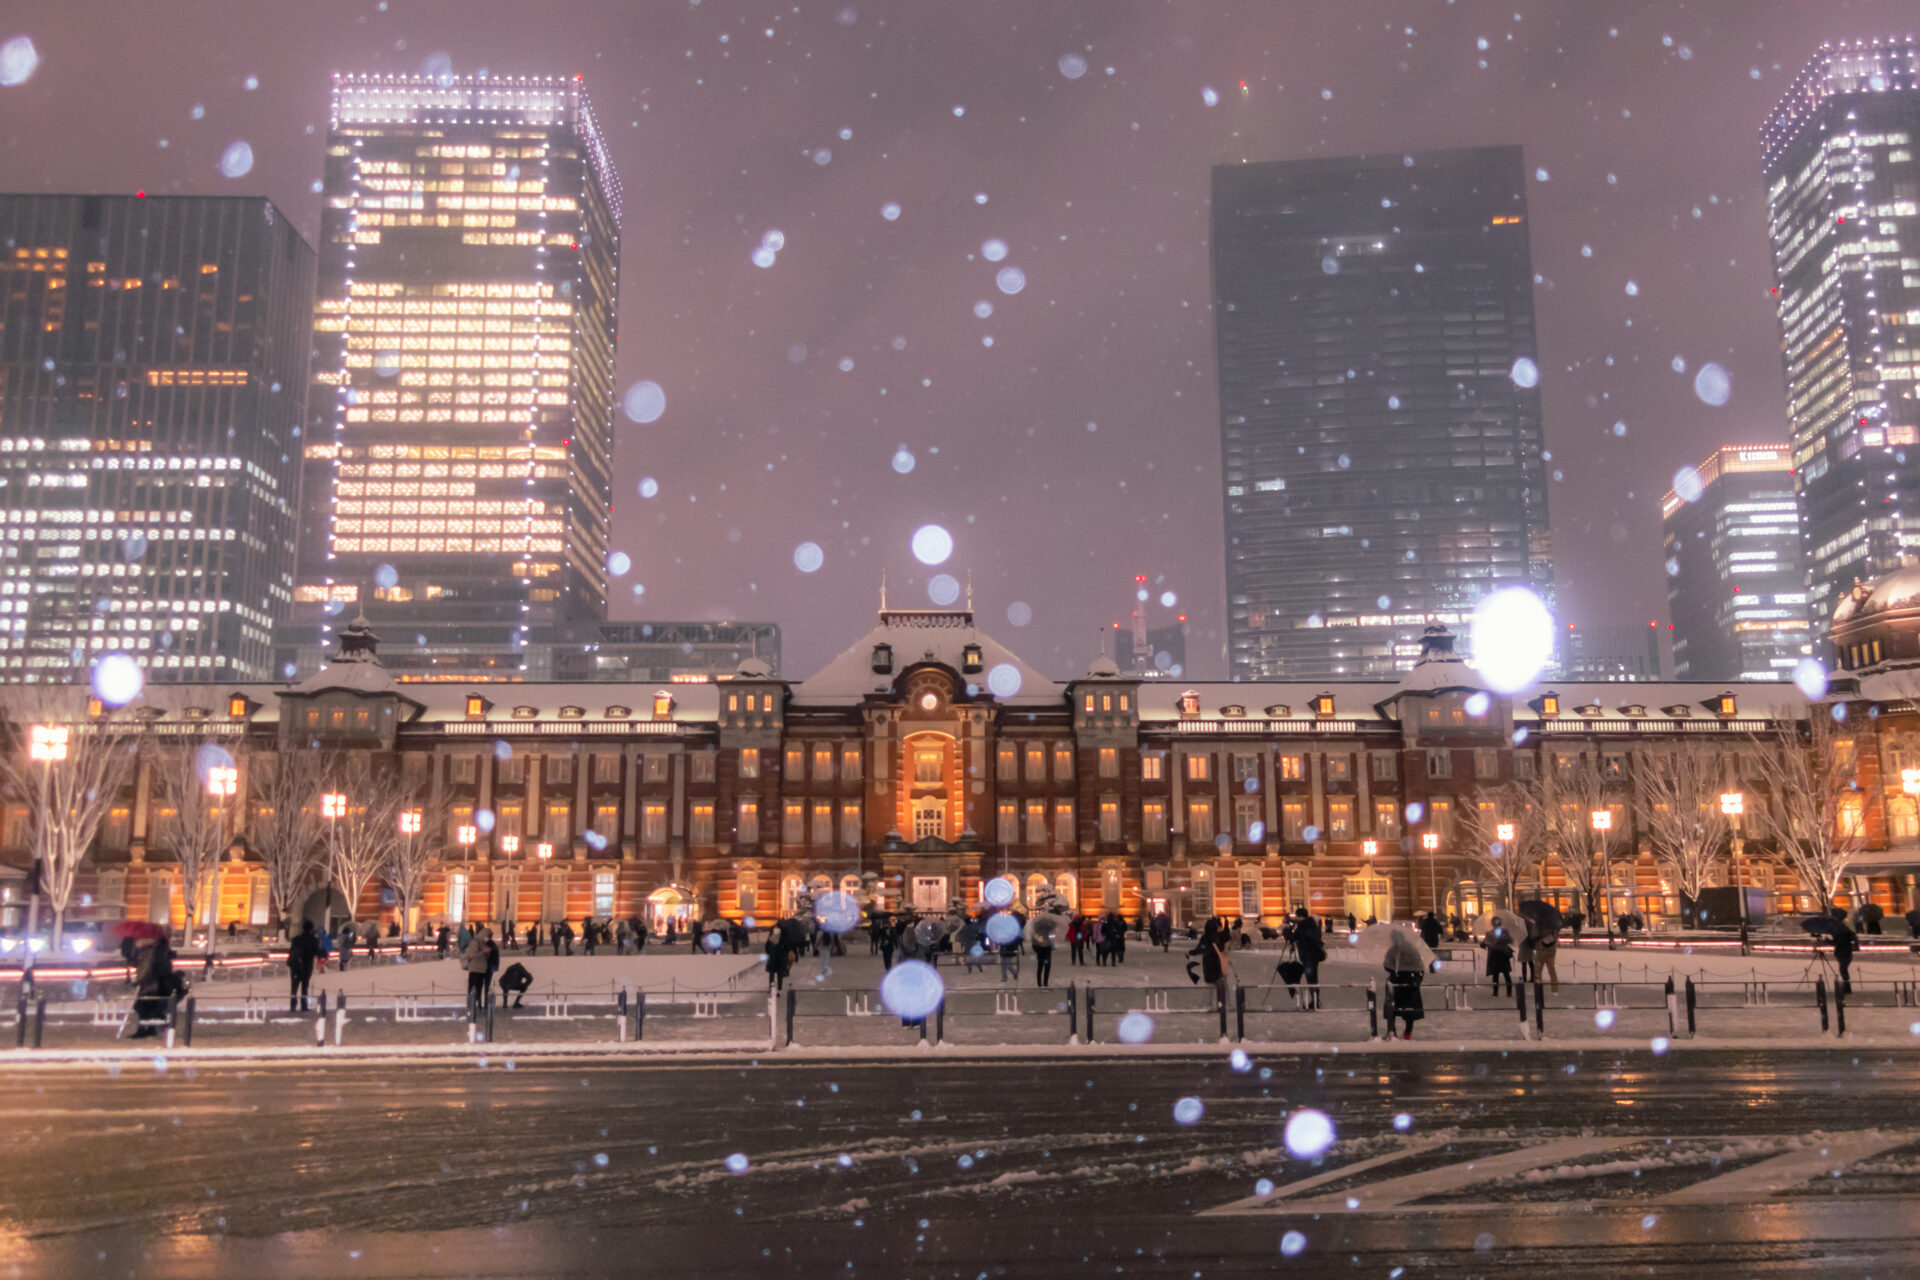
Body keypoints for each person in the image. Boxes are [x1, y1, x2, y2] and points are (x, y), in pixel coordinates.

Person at [130, 937, 180, 1039]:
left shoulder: (148, 954)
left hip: (150, 985)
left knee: (141, 1006)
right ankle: (149, 1028)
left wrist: (140, 981)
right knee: (147, 1007)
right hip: (156, 985)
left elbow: (146, 969)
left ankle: (145, 1029)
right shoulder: (159, 953)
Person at [1384, 943, 1424, 1041]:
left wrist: (1394, 969)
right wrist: (1417, 980)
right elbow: (1420, 967)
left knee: (1392, 1009)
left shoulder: (1393, 949)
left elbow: (1386, 966)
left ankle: (1393, 1033)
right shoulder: (1413, 950)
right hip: (1410, 982)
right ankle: (1407, 1034)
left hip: (1396, 982)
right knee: (1409, 1010)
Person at [1190, 918, 1232, 1009]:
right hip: (1217, 964)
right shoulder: (1218, 936)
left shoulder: (1205, 938)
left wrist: (1191, 952)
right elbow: (1227, 936)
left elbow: (1200, 949)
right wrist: (1226, 925)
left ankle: (1207, 1004)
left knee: (1210, 985)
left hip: (1208, 964)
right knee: (1219, 985)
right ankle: (1221, 1004)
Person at [1292, 907, 1324, 1010]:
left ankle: (1314, 1002)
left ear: (1300, 916)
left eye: (1296, 916)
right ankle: (1315, 1001)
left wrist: (1287, 928)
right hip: (1314, 955)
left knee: (1311, 980)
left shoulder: (1303, 925)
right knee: (1314, 979)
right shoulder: (1312, 924)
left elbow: (1293, 937)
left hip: (1307, 956)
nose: (1295, 917)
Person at [287, 920, 321, 1013]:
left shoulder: (296, 939)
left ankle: (293, 1006)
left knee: (294, 987)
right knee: (304, 988)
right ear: (311, 929)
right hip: (306, 967)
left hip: (295, 967)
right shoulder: (313, 939)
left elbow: (291, 951)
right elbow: (317, 952)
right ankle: (303, 1006)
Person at [461, 927, 493, 1012]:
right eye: (488, 936)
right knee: (473, 989)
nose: (488, 938)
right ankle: (471, 1005)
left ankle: (477, 1005)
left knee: (479, 989)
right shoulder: (475, 941)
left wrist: (487, 953)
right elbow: (472, 955)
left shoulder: (483, 943)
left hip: (481, 969)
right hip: (475, 969)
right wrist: (484, 952)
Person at [1830, 907, 1857, 995]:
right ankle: (1846, 986)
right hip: (1847, 951)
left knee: (1843, 969)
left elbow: (1836, 941)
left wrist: (1827, 941)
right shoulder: (1845, 926)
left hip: (1842, 951)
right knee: (1843, 969)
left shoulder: (1839, 928)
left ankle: (1846, 987)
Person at [1484, 925, 1515, 998]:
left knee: (1498, 975)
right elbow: (1510, 940)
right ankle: (1507, 992)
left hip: (1498, 956)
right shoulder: (1500, 932)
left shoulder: (1491, 933)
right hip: (1501, 956)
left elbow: (1485, 944)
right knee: (1504, 975)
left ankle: (1497, 992)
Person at [1032, 923, 1054, 988]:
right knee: (1041, 968)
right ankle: (1040, 983)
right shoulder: (1037, 935)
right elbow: (1034, 944)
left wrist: (1051, 945)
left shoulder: (1049, 934)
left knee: (1046, 968)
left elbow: (1052, 941)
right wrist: (1038, 949)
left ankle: (1045, 983)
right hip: (1042, 953)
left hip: (1046, 953)